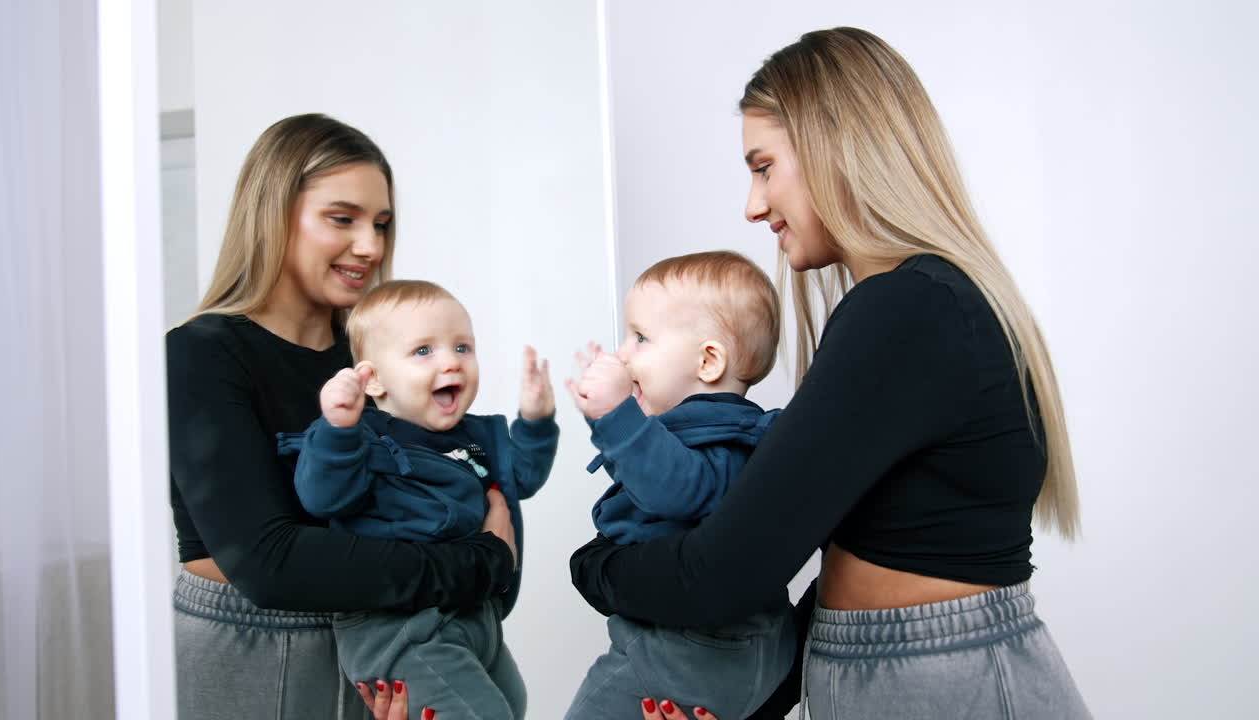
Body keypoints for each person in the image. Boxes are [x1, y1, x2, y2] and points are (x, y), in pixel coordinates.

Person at [570, 27, 1091, 719]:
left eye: (763, 167)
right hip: (900, 675)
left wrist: (591, 567)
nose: (752, 206)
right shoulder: (915, 307)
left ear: (834, 147)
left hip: (943, 685)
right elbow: (840, 569)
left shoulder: (905, 310)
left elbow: (719, 577)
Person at [166, 113, 516, 720]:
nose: (371, 247)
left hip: (390, 643)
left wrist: (469, 578)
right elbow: (268, 564)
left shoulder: (381, 357)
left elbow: (463, 498)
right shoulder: (203, 353)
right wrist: (477, 564)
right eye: (342, 219)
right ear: (274, 213)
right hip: (257, 649)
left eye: (381, 224)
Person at [279, 280, 558, 720]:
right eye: (423, 351)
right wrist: (338, 429)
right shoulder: (360, 438)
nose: (451, 362)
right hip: (398, 627)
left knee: (511, 704)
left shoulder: (477, 436)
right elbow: (322, 498)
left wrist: (536, 420)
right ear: (373, 380)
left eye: (462, 347)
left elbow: (523, 475)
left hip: (474, 616)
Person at [562, 251, 796, 719]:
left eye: (641, 338)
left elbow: (673, 490)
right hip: (755, 649)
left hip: (685, 650)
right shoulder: (719, 434)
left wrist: (616, 416)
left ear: (709, 361)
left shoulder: (725, 441)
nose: (624, 354)